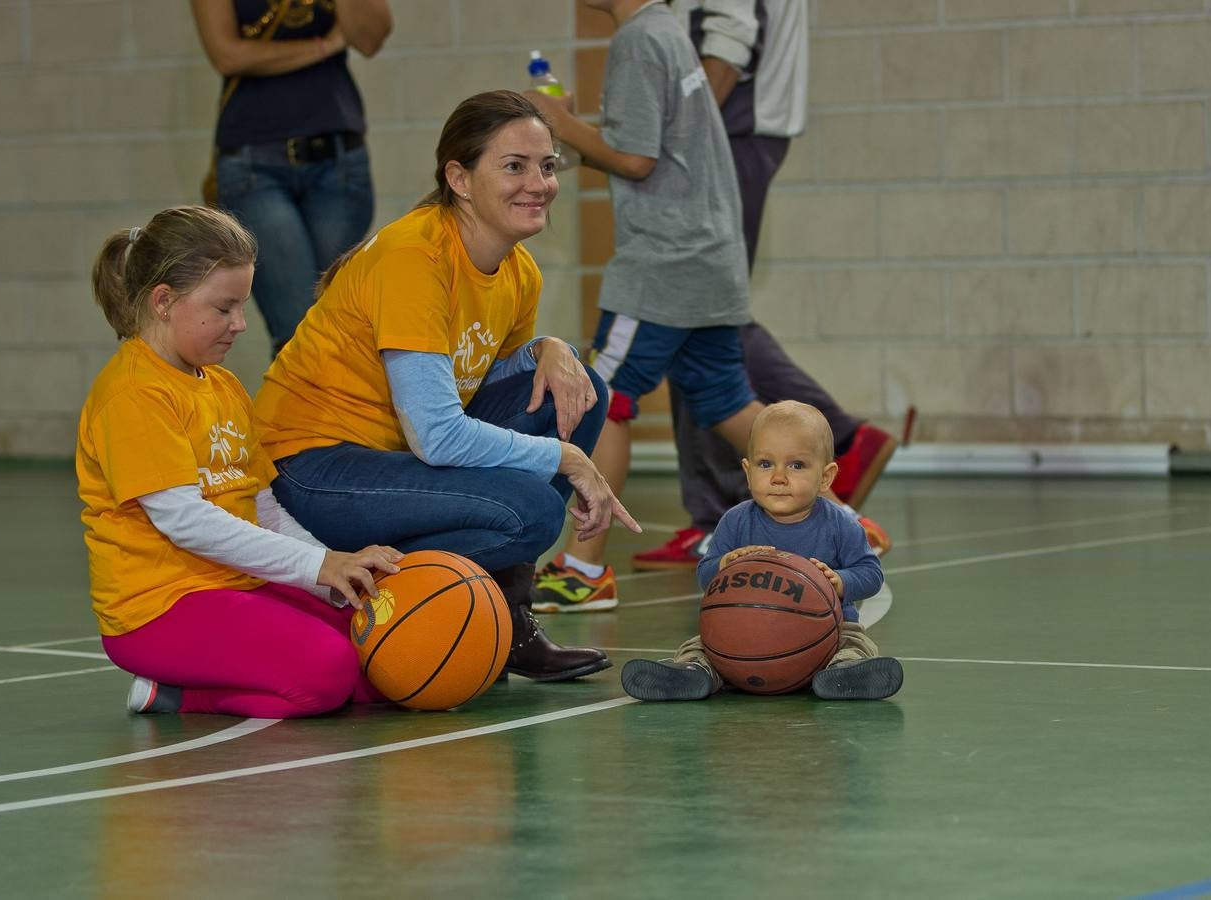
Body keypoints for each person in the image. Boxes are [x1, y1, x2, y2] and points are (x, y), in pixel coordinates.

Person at [253, 90, 639, 683]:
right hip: (314, 465)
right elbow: (437, 435)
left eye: (547, 165)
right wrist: (564, 459)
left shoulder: (518, 269)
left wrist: (548, 351)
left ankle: (507, 621)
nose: (538, 182)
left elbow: (486, 374)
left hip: (393, 451)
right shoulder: (414, 257)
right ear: (459, 178)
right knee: (532, 510)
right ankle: (363, 600)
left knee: (579, 390)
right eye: (514, 166)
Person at [78, 206, 405, 718]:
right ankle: (175, 693)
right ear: (163, 301)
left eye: (242, 306)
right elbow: (188, 523)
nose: (240, 324)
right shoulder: (133, 394)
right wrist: (317, 565)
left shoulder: (222, 383)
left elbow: (259, 501)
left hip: (233, 582)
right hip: (158, 607)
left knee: (388, 654)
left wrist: (332, 575)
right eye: (224, 307)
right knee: (327, 674)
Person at [632, 0, 896, 574]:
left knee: (698, 317)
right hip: (729, 130)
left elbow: (729, 34)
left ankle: (737, 505)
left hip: (726, 132)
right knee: (699, 317)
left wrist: (679, 136)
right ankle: (727, 507)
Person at [523, 0, 765, 614]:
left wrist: (553, 121)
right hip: (707, 257)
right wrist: (573, 131)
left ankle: (582, 568)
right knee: (725, 398)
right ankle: (837, 515)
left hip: (664, 264)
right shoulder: (667, 32)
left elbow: (636, 160)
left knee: (599, 399)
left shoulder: (636, 40)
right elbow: (642, 147)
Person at [620, 401, 905, 701]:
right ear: (747, 470)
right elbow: (704, 575)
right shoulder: (736, 520)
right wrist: (723, 565)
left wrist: (840, 581)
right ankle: (692, 673)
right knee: (703, 644)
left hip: (826, 635)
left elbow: (871, 574)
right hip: (743, 636)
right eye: (765, 464)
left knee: (855, 642)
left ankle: (845, 673)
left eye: (796, 465)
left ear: (825, 477)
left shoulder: (841, 524)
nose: (778, 477)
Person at [192, 0, 392, 354]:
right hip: (255, 164)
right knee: (296, 332)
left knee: (340, 321)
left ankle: (341, 408)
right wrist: (325, 46)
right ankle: (306, 407)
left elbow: (370, 38)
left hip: (338, 159)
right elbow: (228, 55)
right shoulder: (324, 45)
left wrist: (278, 55)